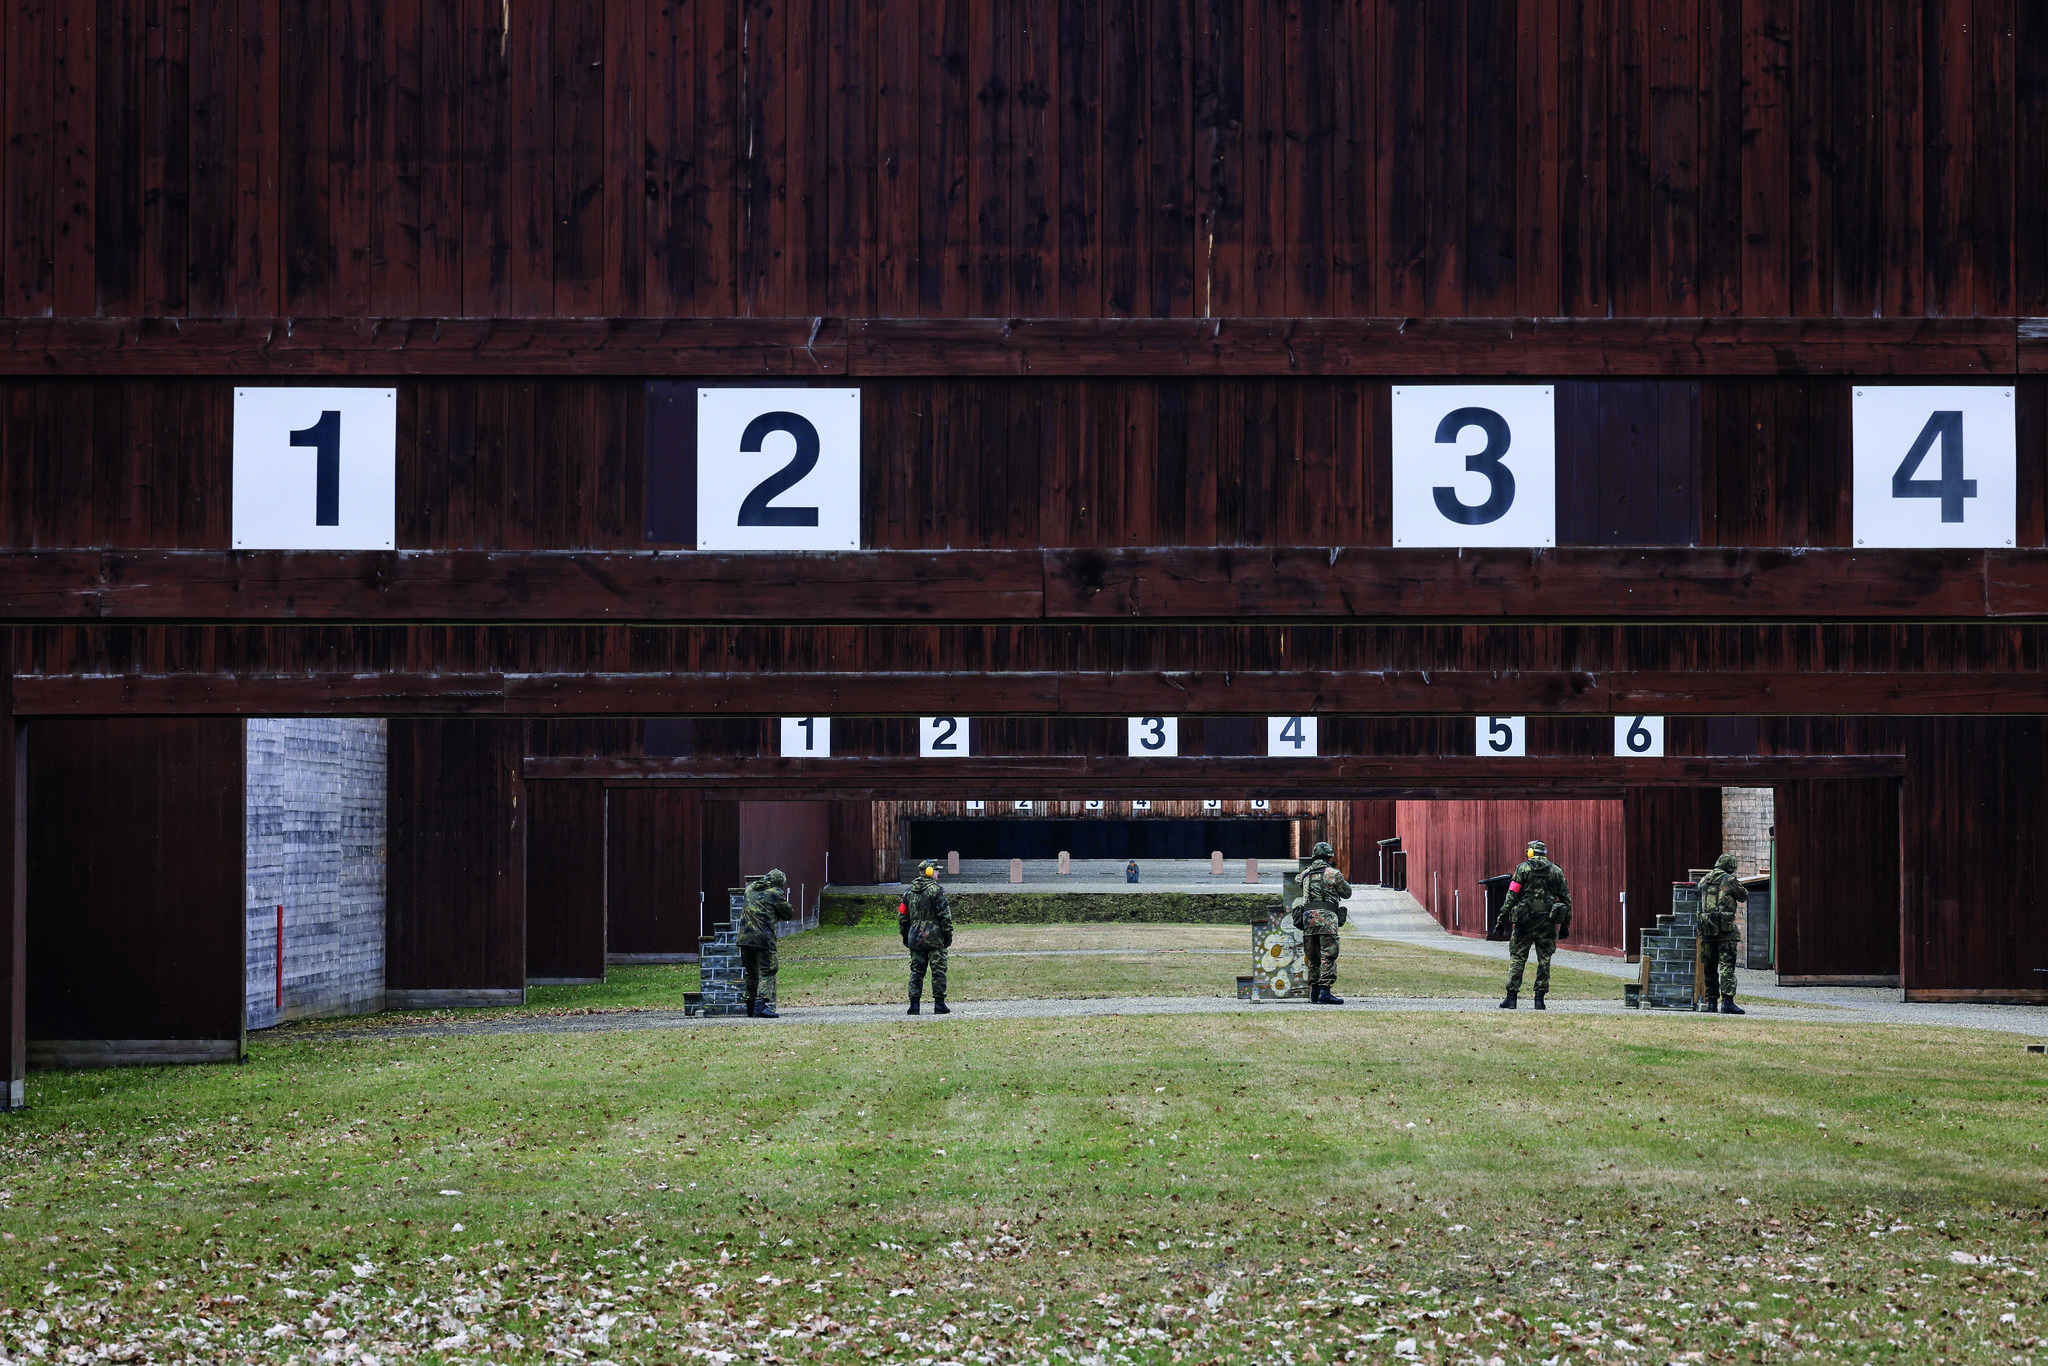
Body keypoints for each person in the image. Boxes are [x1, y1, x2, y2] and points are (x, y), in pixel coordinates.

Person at [1497, 838, 1571, 1011]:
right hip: (1547, 924)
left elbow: (1511, 897)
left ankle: (1511, 998)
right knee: (1544, 960)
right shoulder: (1556, 871)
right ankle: (1539, 1000)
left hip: (1524, 923)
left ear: (1530, 853)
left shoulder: (1522, 869)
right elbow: (1567, 901)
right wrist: (1565, 927)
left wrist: (1501, 920)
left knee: (1517, 958)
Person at [1290, 840, 1353, 1005]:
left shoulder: (1305, 874)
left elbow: (1297, 880)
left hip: (1308, 920)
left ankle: (1315, 993)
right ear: (1329, 858)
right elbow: (1347, 893)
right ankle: (1325, 992)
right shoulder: (1333, 874)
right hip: (1327, 921)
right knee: (1328, 955)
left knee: (1313, 958)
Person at [1696, 853, 1749, 1015]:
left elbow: (1699, 894)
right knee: (1727, 967)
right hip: (1726, 932)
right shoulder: (1730, 880)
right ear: (1730, 866)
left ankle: (1711, 1003)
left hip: (1707, 930)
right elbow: (1743, 896)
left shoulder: (1704, 880)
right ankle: (1727, 1003)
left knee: (1709, 967)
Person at [900, 859, 955, 1015]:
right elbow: (945, 916)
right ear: (930, 872)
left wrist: (905, 935)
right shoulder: (937, 891)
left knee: (916, 971)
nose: (938, 873)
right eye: (936, 870)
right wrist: (948, 934)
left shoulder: (908, 892)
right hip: (935, 938)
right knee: (938, 970)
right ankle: (939, 1004)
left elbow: (902, 916)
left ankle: (914, 1005)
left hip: (915, 938)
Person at [737, 868, 794, 1019]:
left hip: (744, 938)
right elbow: (788, 913)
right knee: (768, 970)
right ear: (778, 883)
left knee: (751, 972)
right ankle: (761, 1004)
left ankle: (750, 1005)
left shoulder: (750, 889)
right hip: (763, 939)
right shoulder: (774, 893)